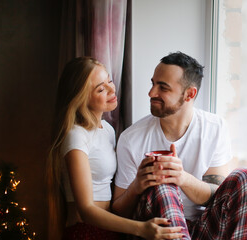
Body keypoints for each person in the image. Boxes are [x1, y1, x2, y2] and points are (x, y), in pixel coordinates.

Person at [112, 51, 247, 239]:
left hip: (202, 227)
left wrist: (182, 178)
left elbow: (215, 195)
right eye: (153, 84)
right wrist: (138, 185)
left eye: (163, 88)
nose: (151, 93)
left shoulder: (215, 128)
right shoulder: (131, 139)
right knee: (163, 183)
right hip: (158, 231)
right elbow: (118, 212)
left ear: (190, 94)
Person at [46, 56, 185, 240]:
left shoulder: (108, 131)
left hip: (110, 228)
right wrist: (141, 228)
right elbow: (86, 209)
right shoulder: (76, 136)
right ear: (81, 98)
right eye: (101, 89)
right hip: (86, 231)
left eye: (109, 81)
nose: (112, 89)